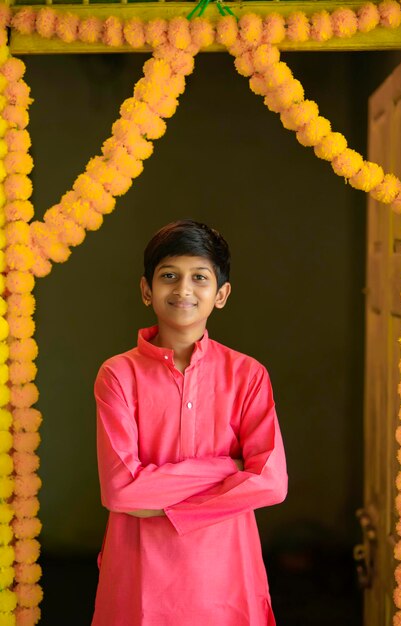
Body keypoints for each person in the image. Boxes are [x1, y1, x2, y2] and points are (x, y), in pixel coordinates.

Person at [91, 219, 288, 626]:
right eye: (169, 276)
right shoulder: (117, 375)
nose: (183, 289)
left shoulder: (247, 375)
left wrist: (158, 497)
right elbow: (121, 493)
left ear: (221, 294)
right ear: (147, 290)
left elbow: (272, 483)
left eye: (199, 277)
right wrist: (228, 468)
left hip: (225, 575)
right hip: (140, 572)